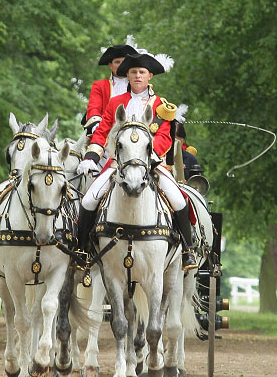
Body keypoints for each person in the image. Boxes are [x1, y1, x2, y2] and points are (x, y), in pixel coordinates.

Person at [74, 52, 198, 271]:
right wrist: (91, 157)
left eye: (141, 72)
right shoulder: (114, 103)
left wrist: (147, 157)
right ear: (128, 76)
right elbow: (102, 133)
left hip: (152, 164)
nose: (137, 76)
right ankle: (82, 251)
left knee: (179, 200)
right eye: (133, 72)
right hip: (118, 165)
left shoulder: (161, 106)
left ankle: (187, 250)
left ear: (150, 75)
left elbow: (163, 137)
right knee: (88, 201)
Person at [81, 42, 140, 136]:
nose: (121, 65)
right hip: (104, 132)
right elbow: (94, 108)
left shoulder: (139, 84)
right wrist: (98, 127)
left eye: (124, 62)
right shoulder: (100, 85)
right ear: (110, 65)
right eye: (117, 62)